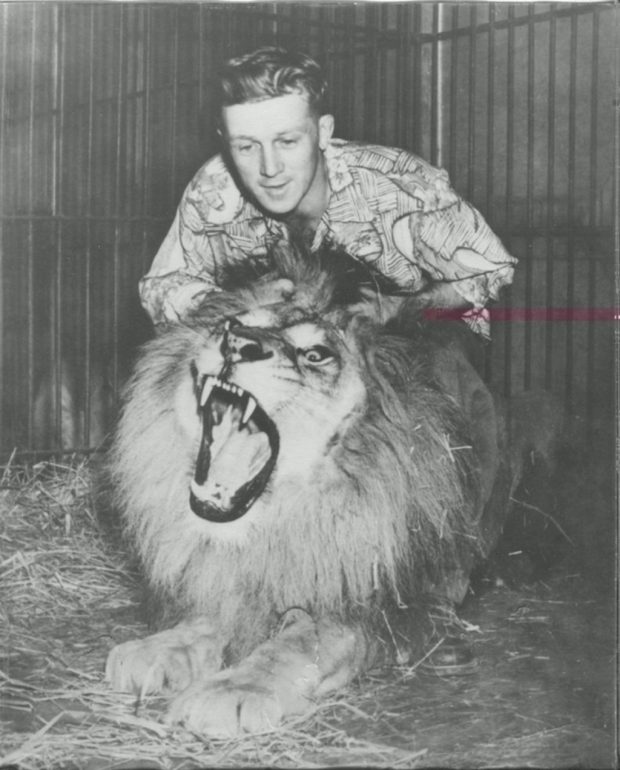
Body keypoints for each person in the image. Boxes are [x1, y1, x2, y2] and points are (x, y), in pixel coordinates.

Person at [139, 46, 516, 340]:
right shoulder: (213, 189)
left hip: (412, 351)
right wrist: (239, 302)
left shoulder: (402, 183)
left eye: (287, 141)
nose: (269, 169)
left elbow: (491, 272)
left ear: (323, 131)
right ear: (225, 142)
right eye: (246, 147)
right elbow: (162, 288)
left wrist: (404, 309)